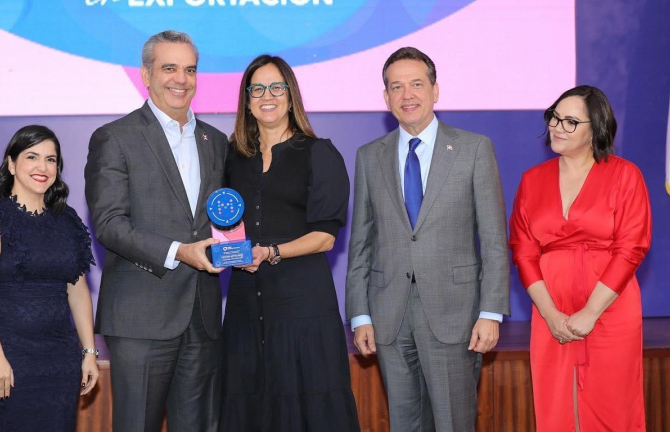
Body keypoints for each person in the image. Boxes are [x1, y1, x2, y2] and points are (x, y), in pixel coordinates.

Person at [345, 47, 510, 432]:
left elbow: (494, 238)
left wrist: (490, 312)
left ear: (436, 90)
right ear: (385, 98)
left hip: (456, 314)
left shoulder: (473, 149)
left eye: (417, 84)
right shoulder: (370, 155)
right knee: (404, 423)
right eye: (396, 87)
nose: (407, 95)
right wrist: (359, 314)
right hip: (388, 317)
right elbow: (361, 241)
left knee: (453, 423)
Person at [84, 30, 228, 432]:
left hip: (202, 315)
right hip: (141, 318)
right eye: (169, 68)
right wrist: (180, 251)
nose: (181, 79)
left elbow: (224, 218)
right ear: (146, 75)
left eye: (189, 69)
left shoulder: (215, 141)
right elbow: (110, 224)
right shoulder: (115, 138)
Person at [220, 54, 360, 432]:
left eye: (277, 87)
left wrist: (271, 252)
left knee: (310, 408)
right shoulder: (232, 156)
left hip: (303, 307)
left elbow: (326, 237)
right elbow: (221, 224)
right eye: (258, 89)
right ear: (247, 100)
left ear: (290, 95)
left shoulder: (318, 152)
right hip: (246, 308)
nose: (268, 96)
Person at [509, 85, 651, 431]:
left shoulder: (624, 175)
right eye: (555, 117)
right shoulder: (532, 180)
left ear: (596, 129)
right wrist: (550, 314)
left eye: (571, 121)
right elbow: (523, 252)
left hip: (610, 309)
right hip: (550, 312)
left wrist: (591, 312)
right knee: (555, 405)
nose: (557, 127)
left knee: (613, 406)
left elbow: (631, 247)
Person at [0, 125, 99, 432]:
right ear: (11, 163)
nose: (42, 167)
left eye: (51, 159)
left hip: (58, 361)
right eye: (32, 157)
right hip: (5, 359)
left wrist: (88, 353)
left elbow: (78, 289)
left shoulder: (67, 221)